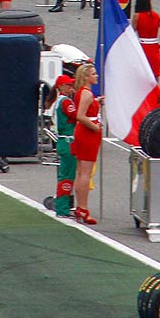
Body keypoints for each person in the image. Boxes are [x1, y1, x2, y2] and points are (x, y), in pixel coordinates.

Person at [70, 61, 102, 225]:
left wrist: (97, 102)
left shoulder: (85, 93)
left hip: (86, 132)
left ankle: (80, 207)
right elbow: (80, 116)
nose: (96, 76)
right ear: (87, 77)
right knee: (85, 173)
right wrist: (95, 128)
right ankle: (82, 207)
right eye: (94, 74)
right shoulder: (86, 94)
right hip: (88, 133)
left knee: (82, 171)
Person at [49, 72, 78, 217]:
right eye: (68, 85)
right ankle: (62, 208)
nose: (71, 87)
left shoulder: (60, 101)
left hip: (64, 141)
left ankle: (64, 206)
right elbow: (77, 115)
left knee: (66, 175)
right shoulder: (65, 101)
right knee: (67, 176)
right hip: (67, 142)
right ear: (61, 86)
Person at [133, 0, 160, 81]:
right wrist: (159, 46)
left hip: (142, 47)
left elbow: (132, 33)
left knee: (141, 78)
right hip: (154, 47)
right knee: (155, 79)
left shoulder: (137, 16)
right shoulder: (157, 16)